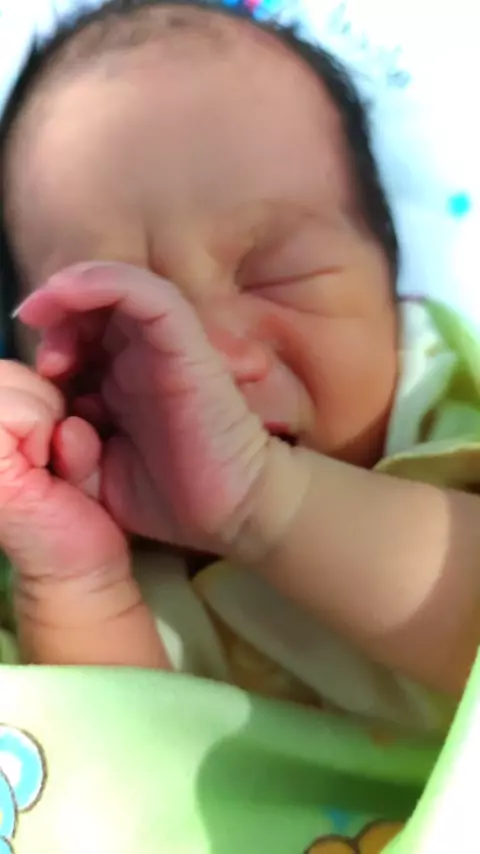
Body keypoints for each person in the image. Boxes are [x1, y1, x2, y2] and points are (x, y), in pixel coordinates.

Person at [0, 0, 480, 733]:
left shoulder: (448, 425)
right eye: (110, 323)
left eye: (274, 277)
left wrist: (267, 500)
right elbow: (116, 776)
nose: (200, 359)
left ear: (395, 287)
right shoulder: (68, 554)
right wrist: (78, 585)